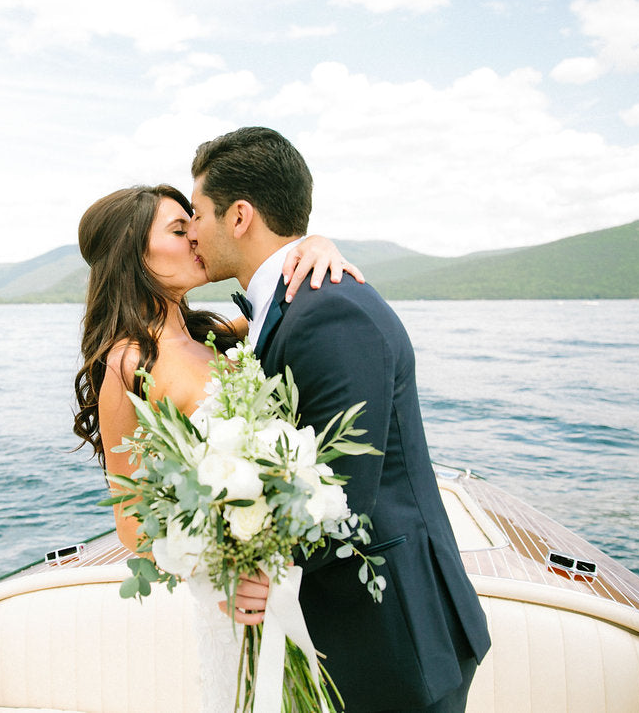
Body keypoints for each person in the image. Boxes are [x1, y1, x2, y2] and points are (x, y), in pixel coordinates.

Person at [186, 127, 492, 712]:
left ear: (240, 216)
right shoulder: (288, 305)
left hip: (397, 639)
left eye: (197, 212)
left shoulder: (329, 312)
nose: (193, 229)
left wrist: (252, 561)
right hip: (347, 630)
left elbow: (342, 494)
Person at [71, 184, 363, 712]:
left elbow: (284, 295)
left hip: (287, 579)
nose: (197, 237)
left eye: (194, 224)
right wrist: (230, 563)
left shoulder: (216, 332)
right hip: (233, 596)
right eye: (179, 231)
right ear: (134, 254)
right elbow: (133, 524)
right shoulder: (129, 364)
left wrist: (317, 244)